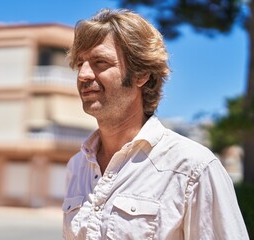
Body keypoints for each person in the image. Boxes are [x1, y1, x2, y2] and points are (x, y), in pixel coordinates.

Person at [62, 8, 249, 240]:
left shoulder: (193, 168)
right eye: (80, 63)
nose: (83, 75)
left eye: (100, 62)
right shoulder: (77, 167)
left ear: (142, 75)